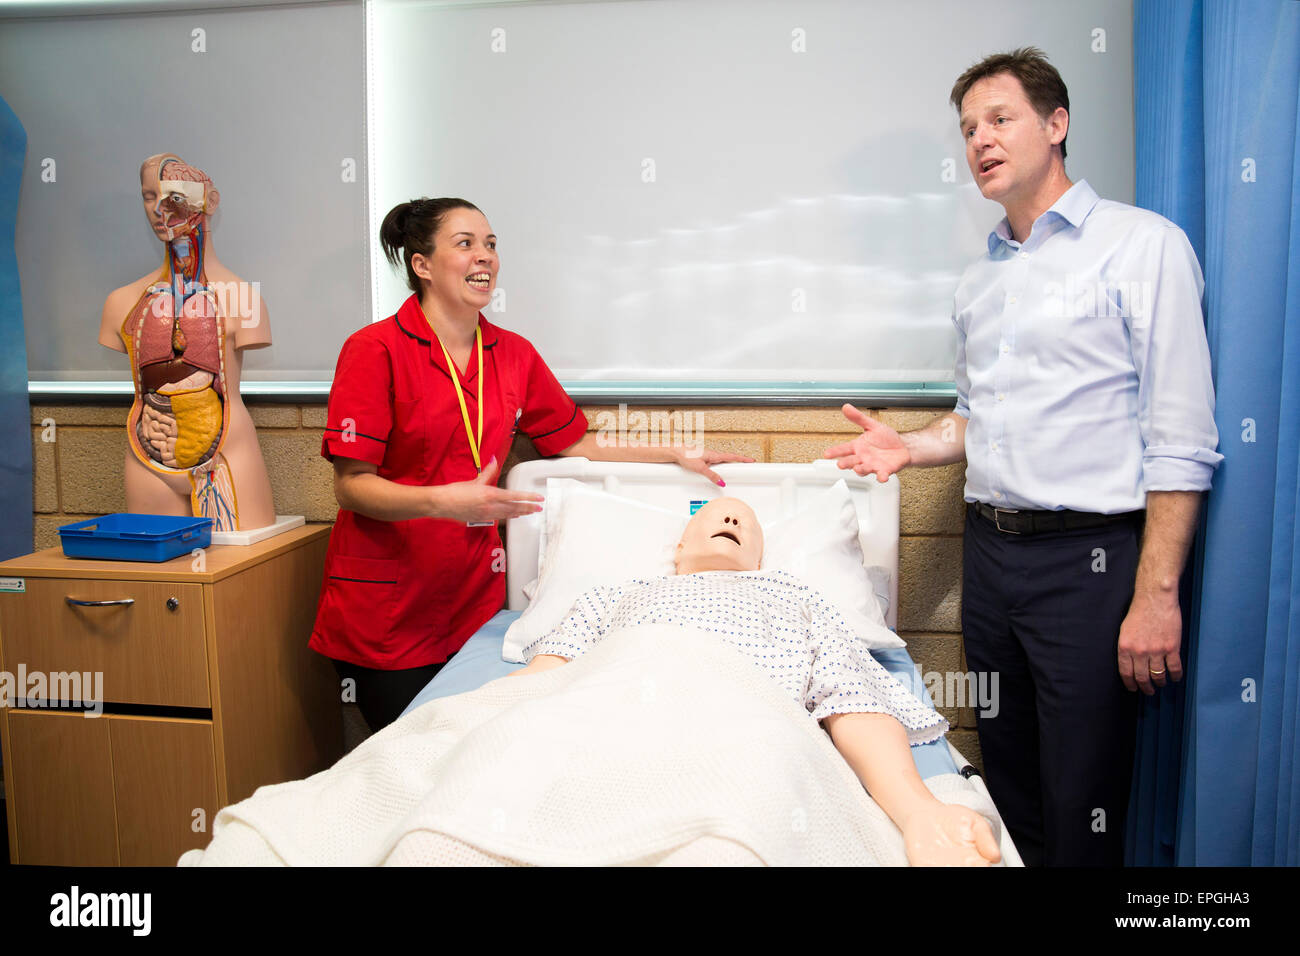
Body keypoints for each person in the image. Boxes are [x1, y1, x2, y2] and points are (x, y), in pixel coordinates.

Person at [824, 49, 1221, 866]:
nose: (980, 140)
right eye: (969, 128)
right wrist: (914, 448)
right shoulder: (982, 280)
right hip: (993, 559)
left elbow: (1181, 440)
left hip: (1092, 560)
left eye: (1000, 119)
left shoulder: (1142, 247)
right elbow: (977, 421)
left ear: (1057, 124)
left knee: (1084, 799)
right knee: (1007, 783)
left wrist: (1156, 595)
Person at [312, 198, 751, 733]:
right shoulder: (374, 349)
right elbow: (352, 487)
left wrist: (672, 452)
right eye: (466, 243)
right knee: (404, 758)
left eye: (491, 244)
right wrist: (441, 501)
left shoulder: (512, 354)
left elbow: (574, 442)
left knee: (468, 749)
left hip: (472, 601)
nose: (486, 257)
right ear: (421, 265)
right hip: (387, 605)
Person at [514, 497, 1002, 867]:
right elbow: (541, 683)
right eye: (718, 515)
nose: (731, 521)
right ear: (678, 547)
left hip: (750, 735)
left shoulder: (795, 599)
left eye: (744, 522)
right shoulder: (616, 596)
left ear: (761, 560)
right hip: (617, 725)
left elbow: (851, 699)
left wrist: (918, 810)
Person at [100, 154, 276, 531]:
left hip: (226, 455)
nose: (159, 208)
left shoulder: (242, 299)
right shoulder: (122, 302)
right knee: (161, 572)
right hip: (148, 454)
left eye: (175, 195)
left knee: (233, 576)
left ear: (209, 201)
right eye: (149, 196)